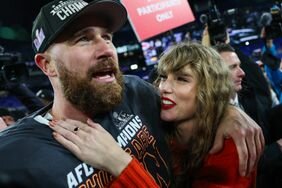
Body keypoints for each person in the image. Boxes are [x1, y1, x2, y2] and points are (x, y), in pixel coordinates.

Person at [0, 0, 263, 187]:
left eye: (108, 37)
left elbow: (197, 101)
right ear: (47, 65)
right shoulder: (16, 154)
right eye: (83, 38)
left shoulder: (136, 91)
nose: (106, 49)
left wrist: (228, 111)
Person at [49, 42, 258, 187]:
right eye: (163, 77)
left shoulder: (232, 147)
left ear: (210, 89)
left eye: (181, 79)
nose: (164, 87)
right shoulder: (155, 118)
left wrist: (118, 163)